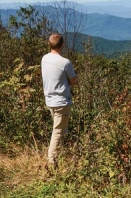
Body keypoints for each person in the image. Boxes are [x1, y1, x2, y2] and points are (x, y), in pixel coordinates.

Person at [41, 33, 78, 167]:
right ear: (62, 45)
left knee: (61, 129)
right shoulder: (65, 62)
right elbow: (73, 81)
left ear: (49, 44)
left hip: (49, 100)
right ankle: (52, 162)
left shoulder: (44, 59)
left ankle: (60, 156)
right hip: (61, 101)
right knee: (58, 132)